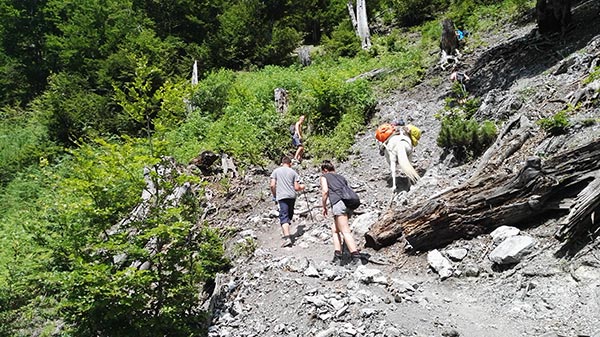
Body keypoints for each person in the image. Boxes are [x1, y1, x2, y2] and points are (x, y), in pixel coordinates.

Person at [320, 160, 364, 266]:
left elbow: (325, 191)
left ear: (325, 170)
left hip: (338, 204)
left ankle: (356, 258)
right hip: (348, 204)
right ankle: (337, 255)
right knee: (335, 229)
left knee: (345, 231)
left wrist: (324, 206)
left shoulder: (324, 177)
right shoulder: (341, 177)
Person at [270, 156, 305, 247]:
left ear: (282, 163)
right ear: (290, 164)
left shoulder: (276, 171)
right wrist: (303, 187)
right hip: (292, 196)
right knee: (289, 215)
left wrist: (274, 195)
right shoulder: (293, 172)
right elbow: (297, 188)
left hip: (282, 196)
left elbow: (272, 185)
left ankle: (287, 237)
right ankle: (288, 233)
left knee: (284, 216)